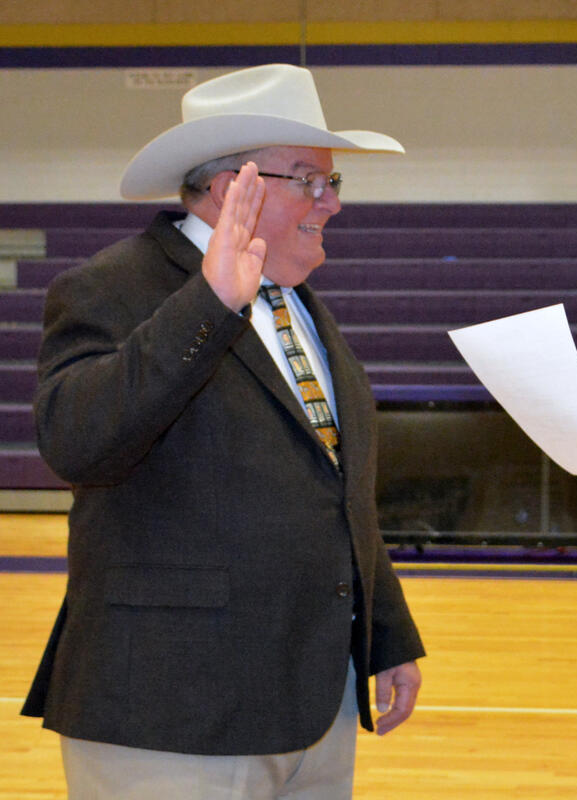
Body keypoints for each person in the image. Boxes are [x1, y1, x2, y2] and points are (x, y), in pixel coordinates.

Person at [22, 63, 425, 799]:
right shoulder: (110, 287)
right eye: (310, 179)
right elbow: (77, 442)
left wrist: (385, 634)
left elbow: (334, 486)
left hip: (314, 699)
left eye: (335, 183)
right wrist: (207, 303)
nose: (330, 204)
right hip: (172, 712)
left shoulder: (300, 305)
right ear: (231, 184)